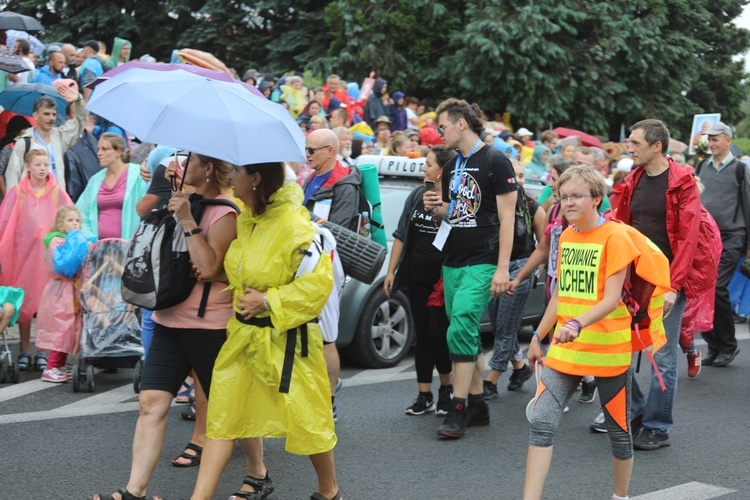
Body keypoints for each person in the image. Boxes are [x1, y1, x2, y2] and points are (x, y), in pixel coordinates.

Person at [91, 153, 237, 500]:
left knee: (225, 416)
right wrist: (169, 194)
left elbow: (210, 267)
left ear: (209, 169)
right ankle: (134, 490)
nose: (179, 167)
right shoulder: (176, 200)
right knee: (150, 403)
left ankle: (256, 472)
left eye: (189, 163)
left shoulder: (225, 213)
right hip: (167, 320)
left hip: (211, 327)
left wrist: (187, 219)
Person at [191, 161, 340, 500]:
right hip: (244, 338)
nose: (231, 179)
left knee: (308, 421)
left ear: (256, 179)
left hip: (289, 344)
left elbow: (319, 285)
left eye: (237, 173)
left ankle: (329, 491)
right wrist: (219, 276)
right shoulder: (247, 218)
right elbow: (247, 268)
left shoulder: (295, 225)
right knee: (225, 415)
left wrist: (270, 301)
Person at [523, 165, 667, 500]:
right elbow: (561, 293)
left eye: (576, 196)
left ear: (597, 199)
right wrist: (539, 335)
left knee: (619, 433)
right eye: (564, 196)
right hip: (566, 351)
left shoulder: (615, 237)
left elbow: (611, 298)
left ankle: (621, 496)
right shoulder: (567, 234)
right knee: (542, 424)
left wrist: (575, 324)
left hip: (608, 352)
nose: (568, 202)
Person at [600, 119, 703, 450]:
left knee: (662, 356)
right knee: (618, 347)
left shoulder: (683, 182)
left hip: (668, 280)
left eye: (635, 143)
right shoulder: (634, 178)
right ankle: (637, 408)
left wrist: (673, 285)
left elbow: (688, 238)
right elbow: (623, 228)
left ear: (657, 146)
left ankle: (658, 426)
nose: (628, 148)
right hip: (635, 277)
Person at [423, 98, 518, 439]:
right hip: (452, 261)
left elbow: (507, 217)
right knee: (464, 333)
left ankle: (458, 407)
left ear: (461, 124)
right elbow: (457, 213)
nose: (439, 132)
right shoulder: (451, 167)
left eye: (442, 125)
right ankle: (478, 404)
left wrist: (502, 268)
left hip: (483, 260)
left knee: (461, 323)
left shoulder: (495, 160)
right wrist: (438, 207)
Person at [384, 146, 455, 416]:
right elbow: (402, 234)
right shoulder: (416, 195)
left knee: (439, 335)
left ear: (443, 169)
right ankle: (424, 394)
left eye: (428, 164)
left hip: (442, 278)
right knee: (422, 336)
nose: (423, 168)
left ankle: (446, 390)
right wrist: (391, 272)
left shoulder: (454, 198)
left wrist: (443, 208)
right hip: (415, 275)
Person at [303, 128, 364, 420]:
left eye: (312, 150)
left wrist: (312, 221)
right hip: (306, 262)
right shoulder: (311, 178)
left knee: (327, 337)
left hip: (328, 264)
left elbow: (337, 231)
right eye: (306, 149)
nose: (307, 155)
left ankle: (329, 402)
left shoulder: (345, 183)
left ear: (330, 150)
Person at [0, 150, 73, 371]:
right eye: (39, 164)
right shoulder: (17, 192)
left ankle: (41, 350)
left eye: (47, 164)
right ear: (28, 167)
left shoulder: (56, 192)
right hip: (21, 256)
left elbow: (69, 214)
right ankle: (24, 350)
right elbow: (4, 221)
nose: (43, 168)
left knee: (44, 304)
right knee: (23, 302)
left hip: (47, 257)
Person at [483, 159, 545, 399]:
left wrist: (521, 276)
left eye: (520, 176)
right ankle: (519, 369)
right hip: (493, 271)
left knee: (506, 329)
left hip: (520, 271)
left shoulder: (533, 208)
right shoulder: (491, 204)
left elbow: (543, 247)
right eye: (513, 175)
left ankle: (491, 380)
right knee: (499, 325)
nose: (517, 180)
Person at [695, 122, 750, 367]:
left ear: (728, 140)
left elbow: (748, 205)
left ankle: (728, 345)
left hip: (732, 236)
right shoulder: (701, 166)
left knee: (717, 287)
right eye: (710, 138)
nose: (712, 143)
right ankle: (714, 346)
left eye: (716, 138)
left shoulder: (739, 169)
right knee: (702, 288)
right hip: (705, 237)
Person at [34, 206, 87, 383]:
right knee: (61, 329)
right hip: (61, 291)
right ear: (60, 223)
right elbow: (63, 268)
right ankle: (51, 367)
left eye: (77, 220)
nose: (74, 224)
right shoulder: (56, 241)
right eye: (70, 220)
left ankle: (59, 365)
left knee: (69, 329)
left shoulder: (74, 240)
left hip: (71, 290)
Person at [5, 88, 88, 194]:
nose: (51, 118)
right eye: (46, 114)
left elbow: (79, 123)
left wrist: (79, 100)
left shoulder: (59, 137)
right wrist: (13, 204)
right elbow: (13, 175)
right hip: (30, 200)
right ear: (35, 116)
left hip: (55, 198)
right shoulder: (24, 142)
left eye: (54, 114)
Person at [75, 133, 147, 240]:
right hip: (99, 247)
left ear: (118, 151)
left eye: (104, 149)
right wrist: (91, 239)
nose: (99, 153)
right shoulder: (95, 180)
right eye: (98, 149)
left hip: (130, 245)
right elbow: (80, 213)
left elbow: (147, 209)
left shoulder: (137, 174)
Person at [0, 115, 33, 203]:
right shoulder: (8, 149)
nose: (27, 131)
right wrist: (7, 196)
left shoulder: (29, 146)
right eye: (25, 128)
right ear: (17, 131)